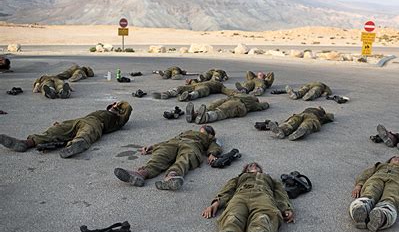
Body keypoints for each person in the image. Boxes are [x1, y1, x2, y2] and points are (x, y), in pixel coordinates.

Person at [202, 162, 294, 232]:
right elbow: (227, 189)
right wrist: (217, 202)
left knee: (263, 217)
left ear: (261, 170)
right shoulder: (239, 178)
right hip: (240, 196)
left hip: (263, 196)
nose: (254, 166)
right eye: (250, 166)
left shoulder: (269, 178)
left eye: (256, 166)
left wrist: (286, 208)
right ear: (245, 170)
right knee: (232, 216)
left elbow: (281, 193)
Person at [0, 101, 132, 158]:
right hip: (78, 120)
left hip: (95, 124)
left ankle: (74, 146)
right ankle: (25, 143)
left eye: (116, 106)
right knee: (55, 131)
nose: (114, 106)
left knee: (86, 133)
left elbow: (128, 107)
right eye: (113, 105)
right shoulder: (104, 111)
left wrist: (118, 105)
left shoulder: (117, 120)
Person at [114, 125, 222, 190]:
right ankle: (140, 175)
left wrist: (213, 154)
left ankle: (171, 177)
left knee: (185, 158)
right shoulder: (188, 131)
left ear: (211, 134)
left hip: (192, 146)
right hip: (174, 143)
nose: (205, 126)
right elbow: (169, 140)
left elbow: (215, 147)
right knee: (161, 155)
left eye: (208, 128)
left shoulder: (210, 139)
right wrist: (153, 146)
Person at [349, 156, 399, 232]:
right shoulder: (380, 165)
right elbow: (365, 174)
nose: (398, 159)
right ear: (389, 160)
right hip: (377, 177)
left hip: (398, 181)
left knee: (393, 196)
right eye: (395, 158)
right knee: (370, 190)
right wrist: (359, 185)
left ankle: (383, 215)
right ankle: (361, 209)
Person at [185, 93, 270, 124]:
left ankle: (206, 117)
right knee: (213, 104)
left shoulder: (254, 103)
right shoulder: (241, 93)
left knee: (223, 109)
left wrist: (266, 104)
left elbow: (263, 105)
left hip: (239, 105)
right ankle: (195, 115)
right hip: (230, 98)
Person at [268, 106, 334, 141]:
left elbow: (331, 116)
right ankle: (282, 129)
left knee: (309, 123)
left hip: (313, 117)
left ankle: (301, 131)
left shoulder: (322, 115)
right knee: (294, 120)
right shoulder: (311, 109)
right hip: (302, 114)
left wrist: (324, 112)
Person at [152, 80, 236, 101]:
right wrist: (190, 81)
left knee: (200, 91)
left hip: (207, 88)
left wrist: (235, 93)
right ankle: (166, 94)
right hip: (195, 85)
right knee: (181, 87)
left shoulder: (221, 86)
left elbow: (227, 91)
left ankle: (189, 96)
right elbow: (195, 82)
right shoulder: (207, 80)